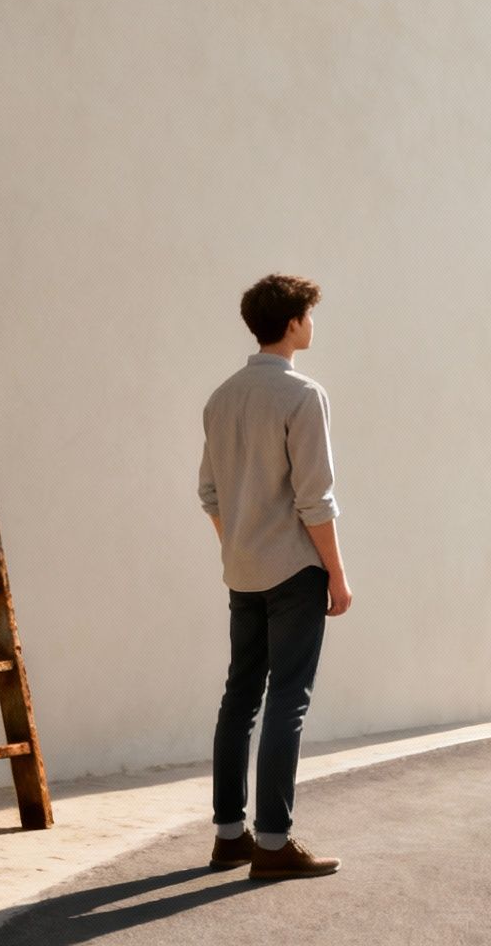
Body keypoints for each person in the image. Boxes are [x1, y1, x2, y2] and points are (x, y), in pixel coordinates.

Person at [198, 273, 354, 880]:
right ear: (291, 323)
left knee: (240, 698)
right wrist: (337, 576)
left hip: (242, 570)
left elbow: (209, 492)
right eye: (310, 316)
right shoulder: (302, 394)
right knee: (288, 700)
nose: (313, 325)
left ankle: (229, 836)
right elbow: (315, 498)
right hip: (294, 571)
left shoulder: (221, 397)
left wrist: (238, 544)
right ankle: (272, 843)